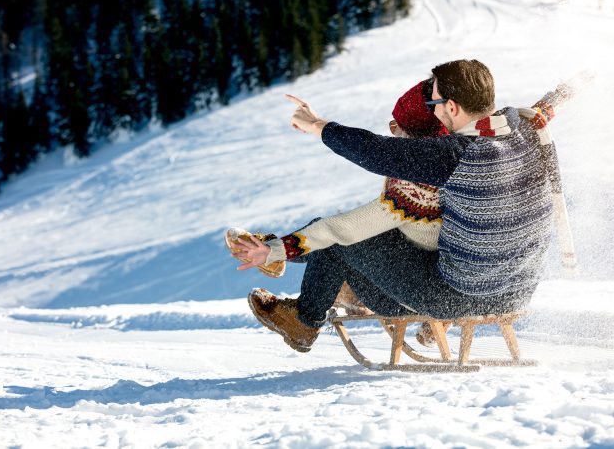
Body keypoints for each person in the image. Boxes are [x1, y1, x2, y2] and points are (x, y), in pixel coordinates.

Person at [232, 59, 565, 353]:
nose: (434, 110)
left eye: (435, 102)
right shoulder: (524, 129)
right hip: (517, 292)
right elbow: (548, 105)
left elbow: (374, 155)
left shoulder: (453, 155)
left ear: (451, 107)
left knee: (338, 241)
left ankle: (304, 321)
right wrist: (578, 83)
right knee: (368, 238)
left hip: (458, 296)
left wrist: (316, 125)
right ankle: (301, 269)